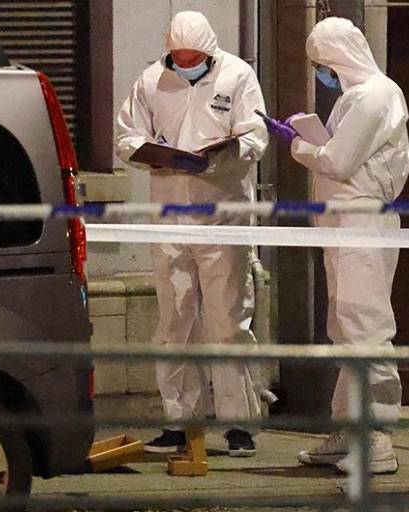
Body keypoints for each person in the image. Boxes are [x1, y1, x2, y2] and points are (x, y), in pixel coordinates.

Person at [115, 10, 269, 457]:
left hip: (223, 215)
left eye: (193, 57)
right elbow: (127, 138)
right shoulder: (150, 80)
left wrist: (220, 156)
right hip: (170, 215)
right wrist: (154, 155)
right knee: (174, 319)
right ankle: (179, 422)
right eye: (178, 57)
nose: (185, 63)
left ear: (209, 51)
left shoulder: (237, 76)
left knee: (228, 320)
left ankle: (239, 424)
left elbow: (255, 136)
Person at [264, 17, 409, 474]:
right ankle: (349, 429)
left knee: (367, 327)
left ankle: (377, 437)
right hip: (343, 223)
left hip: (363, 222)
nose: (321, 74)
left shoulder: (376, 95)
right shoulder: (353, 98)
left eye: (321, 65)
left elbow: (338, 161)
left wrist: (297, 145)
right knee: (345, 328)